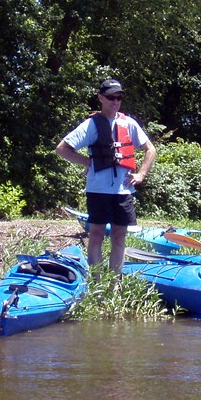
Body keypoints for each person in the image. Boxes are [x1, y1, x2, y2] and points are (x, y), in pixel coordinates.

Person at [55, 78, 157, 273]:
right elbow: (62, 149)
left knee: (119, 235)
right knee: (96, 234)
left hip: (123, 190)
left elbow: (150, 149)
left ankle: (115, 281)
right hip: (98, 189)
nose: (115, 101)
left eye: (119, 97)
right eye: (111, 97)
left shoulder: (129, 124)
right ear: (101, 98)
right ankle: (96, 281)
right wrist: (88, 162)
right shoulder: (91, 125)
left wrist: (141, 174)